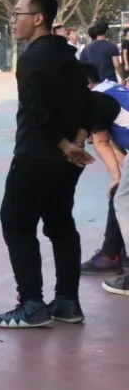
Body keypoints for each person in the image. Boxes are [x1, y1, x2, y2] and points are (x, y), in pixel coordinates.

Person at [0, 0, 93, 329]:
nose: (13, 20)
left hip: (36, 155)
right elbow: (89, 103)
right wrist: (77, 140)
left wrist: (64, 144)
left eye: (18, 13)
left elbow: (37, 112)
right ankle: (67, 301)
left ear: (38, 18)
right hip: (66, 162)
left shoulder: (32, 59)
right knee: (61, 224)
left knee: (16, 223)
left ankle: (32, 303)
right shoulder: (69, 56)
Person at [78, 62, 129, 277]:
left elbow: (101, 141)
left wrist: (116, 177)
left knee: (120, 197)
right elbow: (117, 141)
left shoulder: (96, 99)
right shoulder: (111, 88)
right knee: (122, 194)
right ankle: (117, 252)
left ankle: (110, 255)